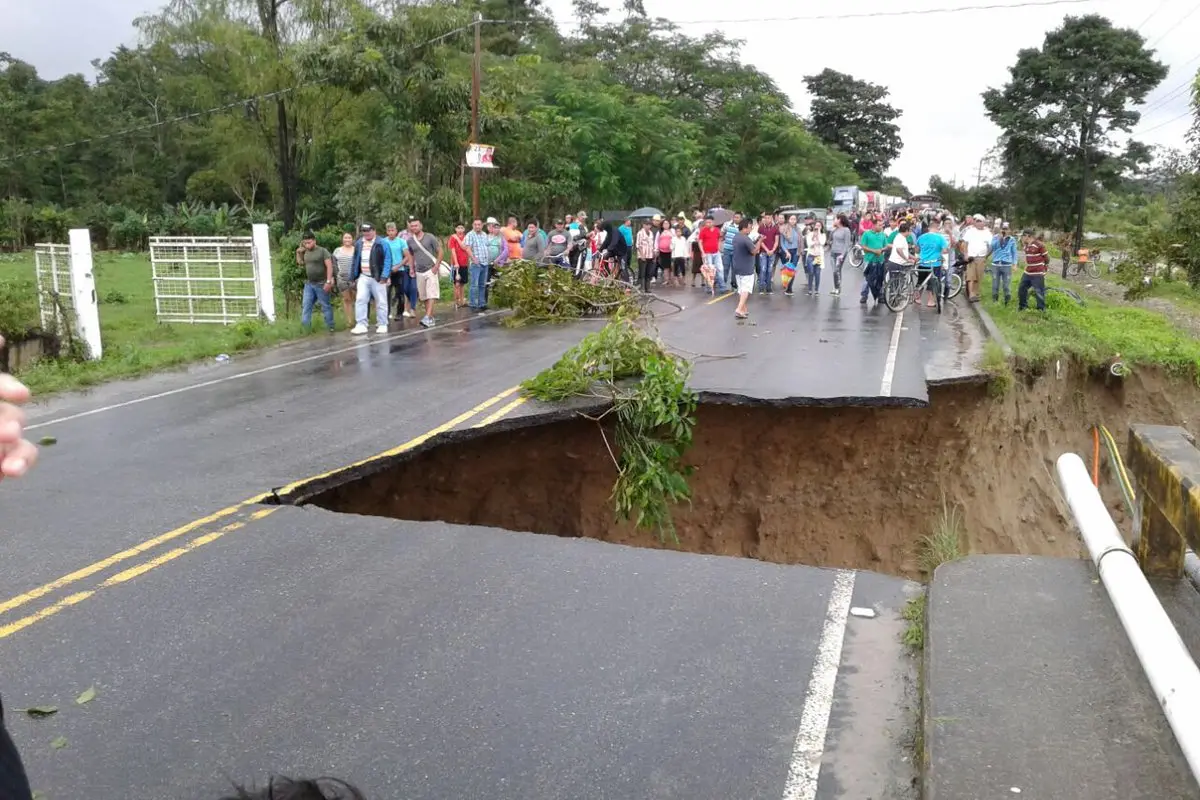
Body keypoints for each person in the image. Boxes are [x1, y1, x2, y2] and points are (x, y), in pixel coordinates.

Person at [350, 223, 392, 335]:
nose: (366, 233)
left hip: (377, 277)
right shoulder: (359, 243)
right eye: (364, 231)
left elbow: (388, 260)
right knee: (360, 300)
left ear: (374, 231)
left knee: (381, 301)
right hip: (364, 276)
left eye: (368, 231)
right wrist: (353, 276)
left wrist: (384, 276)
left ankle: (382, 323)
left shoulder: (382, 243)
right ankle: (361, 324)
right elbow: (355, 260)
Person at [295, 232, 335, 332]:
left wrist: (329, 281)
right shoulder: (305, 251)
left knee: (325, 306)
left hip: (322, 283)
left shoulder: (322, 251)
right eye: (305, 243)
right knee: (306, 305)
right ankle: (306, 328)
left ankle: (330, 327)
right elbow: (300, 263)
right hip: (309, 284)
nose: (307, 245)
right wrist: (298, 253)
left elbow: (329, 266)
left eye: (309, 242)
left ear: (314, 241)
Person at [406, 218, 442, 328]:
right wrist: (411, 268)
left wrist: (436, 266)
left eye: (416, 225)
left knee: (432, 293)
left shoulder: (429, 237)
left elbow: (440, 251)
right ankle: (429, 317)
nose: (414, 228)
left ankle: (427, 317)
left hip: (430, 269)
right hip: (419, 271)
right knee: (424, 296)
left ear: (421, 225)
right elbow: (411, 255)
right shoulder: (410, 241)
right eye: (412, 226)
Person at [731, 217, 760, 320]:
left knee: (741, 289)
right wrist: (760, 241)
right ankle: (739, 308)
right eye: (750, 228)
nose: (750, 230)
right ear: (744, 228)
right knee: (746, 289)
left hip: (737, 266)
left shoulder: (736, 237)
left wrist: (755, 241)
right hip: (746, 267)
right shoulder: (745, 238)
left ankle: (744, 309)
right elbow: (754, 251)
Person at [915, 222, 950, 308]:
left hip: (923, 262)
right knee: (933, 282)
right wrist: (940, 254)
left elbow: (917, 250)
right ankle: (930, 301)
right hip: (935, 263)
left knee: (920, 280)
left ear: (928, 228)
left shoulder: (921, 237)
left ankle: (917, 298)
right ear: (937, 228)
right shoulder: (940, 238)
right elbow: (945, 250)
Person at [960, 214, 993, 302]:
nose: (978, 223)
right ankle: (971, 294)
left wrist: (986, 256)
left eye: (980, 221)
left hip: (981, 257)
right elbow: (965, 244)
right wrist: (966, 255)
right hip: (971, 257)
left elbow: (991, 246)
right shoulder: (970, 231)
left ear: (984, 223)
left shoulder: (987, 233)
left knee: (979, 276)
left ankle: (976, 293)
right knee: (971, 276)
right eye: (977, 221)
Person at [384, 222, 413, 319]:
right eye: (389, 231)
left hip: (399, 269)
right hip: (387, 271)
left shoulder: (401, 242)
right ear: (387, 232)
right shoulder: (383, 242)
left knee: (400, 292)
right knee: (386, 292)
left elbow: (407, 256)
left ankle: (399, 313)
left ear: (396, 231)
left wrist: (398, 265)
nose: (391, 232)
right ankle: (387, 313)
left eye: (393, 230)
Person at [464, 218, 492, 311]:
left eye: (479, 224)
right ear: (473, 225)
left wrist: (489, 259)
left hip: (485, 262)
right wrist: (473, 259)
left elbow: (487, 246)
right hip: (476, 263)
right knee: (474, 285)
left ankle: (482, 303)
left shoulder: (484, 235)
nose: (477, 226)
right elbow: (467, 248)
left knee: (482, 284)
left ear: (482, 225)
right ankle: (473, 304)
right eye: (475, 224)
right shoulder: (470, 235)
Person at [859, 217, 887, 305]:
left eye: (882, 225)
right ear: (874, 225)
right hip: (869, 260)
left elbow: (885, 246)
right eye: (879, 225)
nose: (881, 227)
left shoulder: (882, 235)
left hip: (880, 259)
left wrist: (881, 250)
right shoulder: (866, 234)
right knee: (867, 278)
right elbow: (863, 246)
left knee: (880, 278)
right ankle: (864, 295)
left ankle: (880, 295)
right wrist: (874, 251)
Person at [1019, 229, 1049, 311]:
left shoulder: (1039, 245)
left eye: (1023, 236)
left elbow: (1047, 258)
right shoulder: (1026, 246)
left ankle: (1041, 309)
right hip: (1028, 272)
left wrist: (1044, 268)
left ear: (1028, 236)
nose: (1022, 238)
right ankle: (1023, 307)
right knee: (1022, 288)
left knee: (1039, 291)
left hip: (1037, 273)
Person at [331, 232, 357, 326]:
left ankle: (358, 319)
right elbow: (333, 264)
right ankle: (349, 321)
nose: (347, 240)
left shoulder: (356, 250)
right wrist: (335, 276)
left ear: (352, 239)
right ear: (342, 239)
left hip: (354, 278)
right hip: (342, 278)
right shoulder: (337, 250)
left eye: (349, 238)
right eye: (345, 238)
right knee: (346, 299)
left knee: (356, 299)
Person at [990, 222, 1018, 305]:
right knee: (995, 284)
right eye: (1003, 229)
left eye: (1006, 229)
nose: (1004, 231)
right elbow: (993, 247)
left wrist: (1015, 264)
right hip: (996, 264)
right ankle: (995, 301)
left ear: (1009, 230)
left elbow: (1014, 252)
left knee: (1006, 285)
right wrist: (999, 238)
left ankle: (1007, 302)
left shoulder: (1012, 239)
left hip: (1007, 264)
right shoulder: (995, 237)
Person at [696, 215, 724, 294]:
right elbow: (700, 242)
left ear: (713, 222)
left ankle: (722, 286)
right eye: (707, 222)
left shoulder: (717, 230)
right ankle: (709, 287)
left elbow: (719, 239)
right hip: (707, 253)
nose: (708, 224)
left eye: (710, 222)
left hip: (716, 252)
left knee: (720, 269)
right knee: (709, 270)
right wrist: (703, 252)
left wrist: (718, 248)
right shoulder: (703, 230)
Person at [828, 215, 853, 297]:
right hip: (833, 252)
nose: (834, 220)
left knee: (837, 270)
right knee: (834, 271)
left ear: (840, 220)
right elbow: (829, 240)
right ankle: (835, 287)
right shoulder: (835, 229)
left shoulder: (846, 230)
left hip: (840, 254)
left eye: (835, 219)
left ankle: (838, 288)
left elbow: (847, 244)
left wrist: (843, 254)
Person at [448, 223, 470, 308]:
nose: (460, 230)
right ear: (455, 229)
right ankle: (456, 301)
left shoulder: (466, 237)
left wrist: (457, 238)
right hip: (456, 264)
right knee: (456, 283)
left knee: (462, 284)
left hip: (464, 263)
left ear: (464, 229)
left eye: (462, 228)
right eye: (458, 228)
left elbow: (465, 248)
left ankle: (462, 301)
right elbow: (453, 251)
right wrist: (456, 262)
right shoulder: (452, 238)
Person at [756, 213, 779, 293]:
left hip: (772, 252)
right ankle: (761, 288)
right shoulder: (761, 228)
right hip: (763, 252)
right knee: (763, 269)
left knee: (769, 270)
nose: (767, 219)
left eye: (768, 218)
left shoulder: (775, 228)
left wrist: (772, 250)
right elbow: (760, 241)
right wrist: (767, 250)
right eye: (765, 218)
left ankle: (769, 288)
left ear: (771, 219)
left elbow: (776, 241)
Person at [805, 221, 827, 296]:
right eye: (816, 225)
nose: (817, 227)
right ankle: (810, 290)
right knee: (811, 272)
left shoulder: (823, 235)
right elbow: (809, 244)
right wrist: (813, 237)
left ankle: (817, 290)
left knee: (817, 274)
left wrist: (818, 236)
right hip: (811, 256)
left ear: (821, 227)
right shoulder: (810, 234)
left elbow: (822, 242)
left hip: (818, 256)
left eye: (819, 225)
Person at [635, 219, 656, 292]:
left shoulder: (651, 233)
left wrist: (653, 254)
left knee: (648, 272)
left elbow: (652, 244)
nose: (648, 226)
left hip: (650, 255)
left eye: (649, 225)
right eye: (646, 224)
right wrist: (642, 255)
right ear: (643, 225)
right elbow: (638, 245)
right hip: (642, 256)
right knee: (642, 272)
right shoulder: (640, 233)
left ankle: (648, 288)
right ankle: (642, 288)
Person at [657, 220, 675, 287]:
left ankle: (672, 279)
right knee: (665, 266)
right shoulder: (660, 232)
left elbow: (675, 239)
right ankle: (666, 280)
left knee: (672, 266)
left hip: (671, 251)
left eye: (667, 223)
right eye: (664, 223)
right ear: (662, 225)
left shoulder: (672, 231)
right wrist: (656, 250)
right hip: (662, 251)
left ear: (669, 224)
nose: (666, 225)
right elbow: (657, 241)